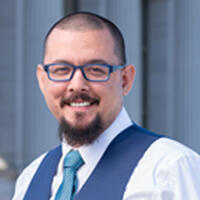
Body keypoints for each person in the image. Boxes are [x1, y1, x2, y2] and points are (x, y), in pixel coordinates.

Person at [12, 12, 200, 200]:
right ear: (42, 80)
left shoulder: (169, 170)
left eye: (96, 70)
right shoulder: (29, 179)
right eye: (61, 70)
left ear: (125, 80)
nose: (77, 85)